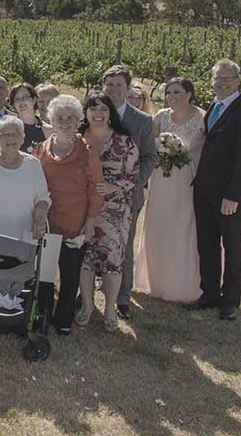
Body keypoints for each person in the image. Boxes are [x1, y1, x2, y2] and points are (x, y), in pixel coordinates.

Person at [187, 59, 241, 322]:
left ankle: (229, 301)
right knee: (207, 245)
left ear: (238, 81)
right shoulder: (214, 107)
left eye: (228, 78)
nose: (222, 83)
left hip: (228, 194)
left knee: (232, 246)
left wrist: (234, 195)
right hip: (204, 190)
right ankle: (209, 294)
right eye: (218, 78)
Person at [33, 95, 104, 336]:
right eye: (59, 118)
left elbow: (96, 188)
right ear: (51, 121)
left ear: (78, 121)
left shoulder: (87, 152)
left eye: (70, 118)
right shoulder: (41, 149)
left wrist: (90, 222)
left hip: (75, 223)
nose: (64, 122)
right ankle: (42, 316)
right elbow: (32, 184)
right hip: (47, 223)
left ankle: (63, 320)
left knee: (70, 274)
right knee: (44, 274)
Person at [133, 77, 206, 303]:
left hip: (189, 179)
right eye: (168, 93)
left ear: (189, 94)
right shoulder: (161, 116)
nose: (171, 97)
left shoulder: (203, 117)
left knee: (185, 227)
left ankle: (184, 283)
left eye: (177, 92)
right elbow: (152, 146)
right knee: (161, 224)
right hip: (163, 180)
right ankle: (158, 279)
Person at [77, 94, 139, 331]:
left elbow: (133, 176)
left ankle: (110, 307)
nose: (98, 113)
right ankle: (86, 305)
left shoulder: (124, 142)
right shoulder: (78, 139)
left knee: (112, 261)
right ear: (86, 113)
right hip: (82, 209)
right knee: (85, 260)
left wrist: (115, 186)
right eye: (93, 109)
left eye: (103, 108)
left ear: (110, 112)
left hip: (114, 212)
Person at [103, 65, 157, 320]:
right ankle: (86, 291)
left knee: (122, 246)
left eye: (119, 86)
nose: (114, 90)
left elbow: (149, 157)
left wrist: (130, 185)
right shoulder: (92, 113)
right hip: (93, 194)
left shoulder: (142, 121)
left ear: (128, 88)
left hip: (127, 196)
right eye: (110, 85)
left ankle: (122, 297)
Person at [9, 84, 46, 152]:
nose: (21, 102)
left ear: (34, 100)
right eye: (17, 99)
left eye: (25, 97)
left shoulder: (48, 130)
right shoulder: (8, 129)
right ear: (13, 105)